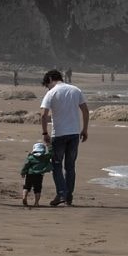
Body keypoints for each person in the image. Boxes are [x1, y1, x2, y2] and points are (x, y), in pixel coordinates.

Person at [39, 69, 88, 207]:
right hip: (74, 134)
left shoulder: (51, 92)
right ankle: (68, 196)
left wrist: (44, 133)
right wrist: (84, 129)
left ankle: (61, 193)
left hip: (59, 134)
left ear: (50, 79)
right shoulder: (75, 90)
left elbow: (43, 115)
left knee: (56, 165)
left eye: (46, 84)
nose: (47, 87)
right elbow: (85, 110)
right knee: (70, 166)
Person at [20, 141, 53, 207]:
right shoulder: (45, 157)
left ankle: (24, 197)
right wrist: (49, 146)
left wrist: (23, 172)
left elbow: (26, 165)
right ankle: (36, 202)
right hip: (39, 175)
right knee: (37, 189)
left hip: (30, 174)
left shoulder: (31, 157)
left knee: (26, 186)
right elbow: (51, 153)